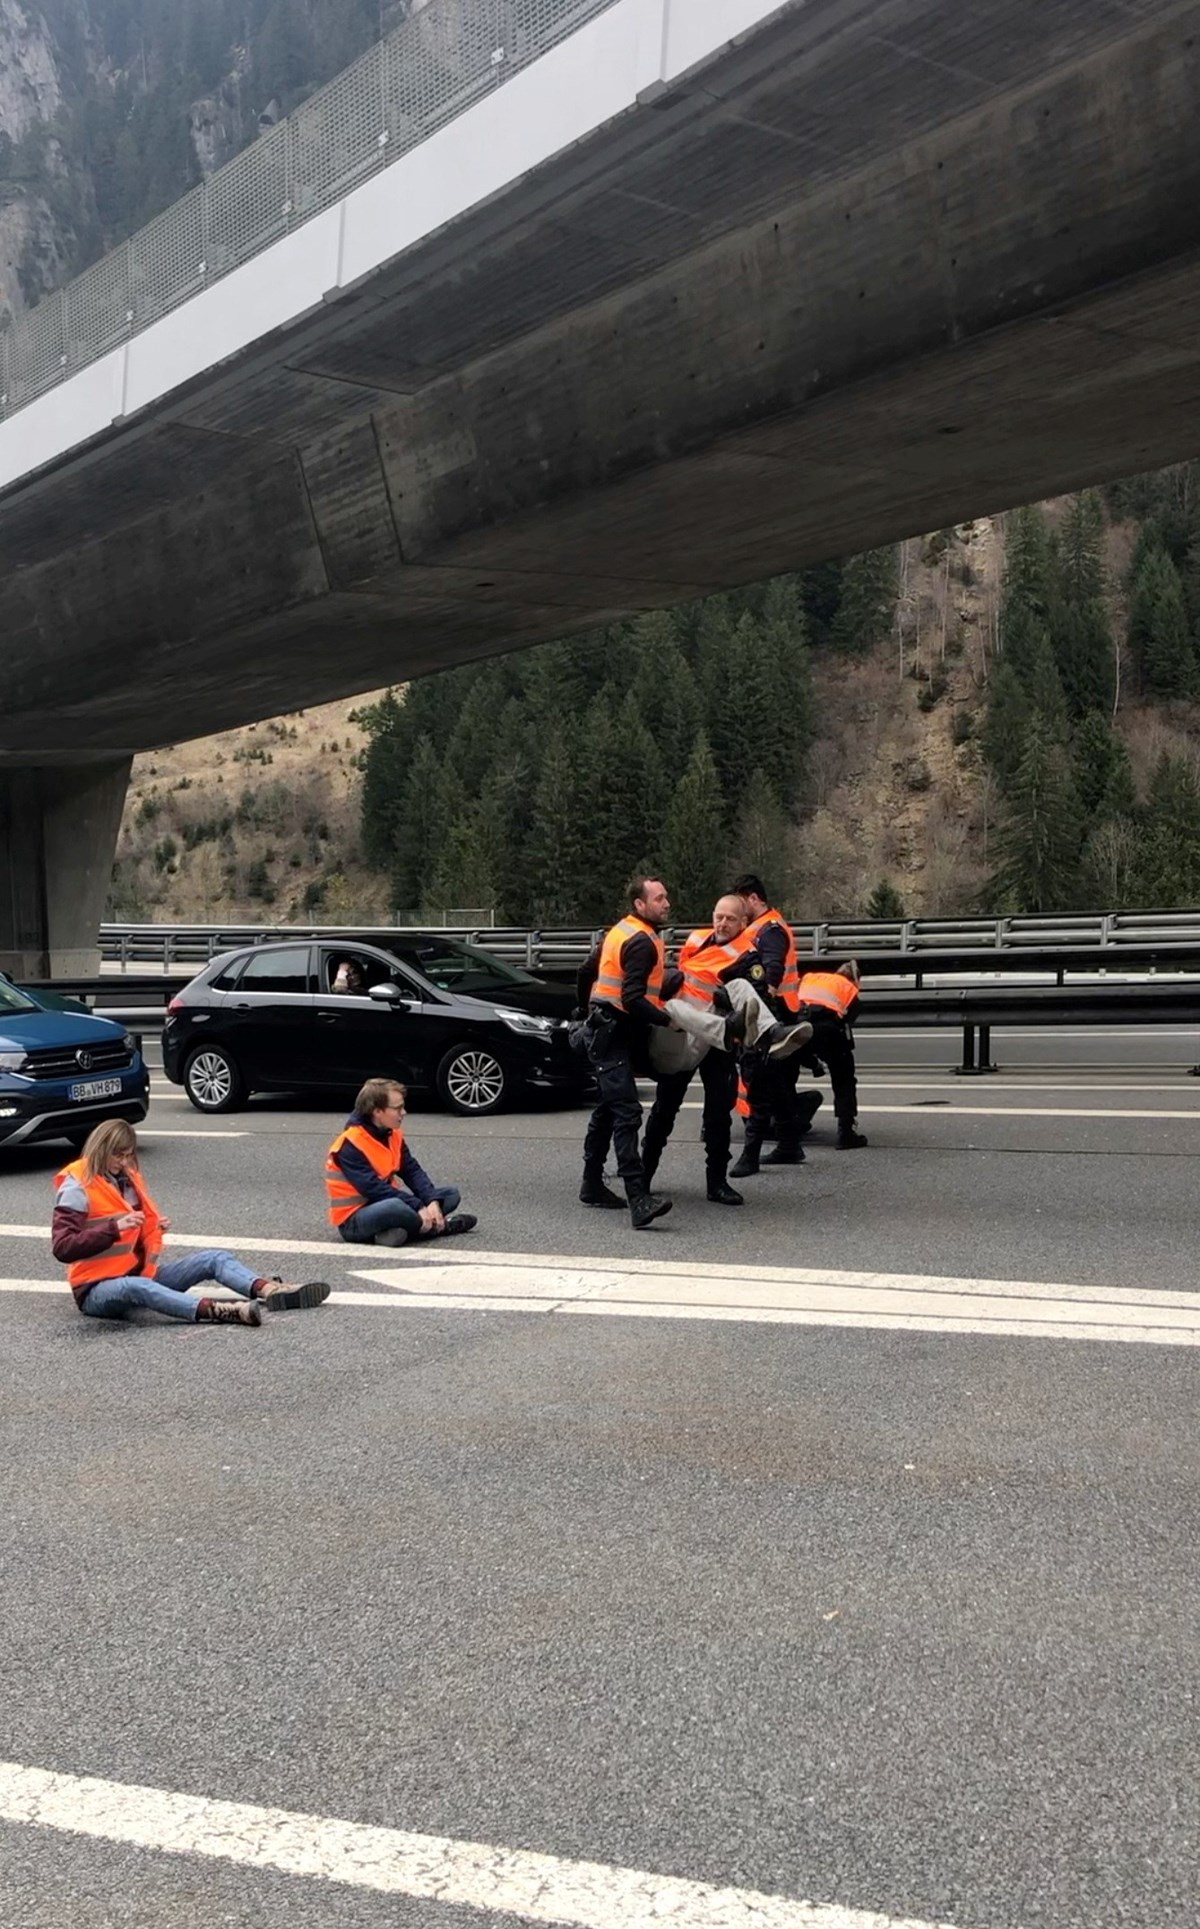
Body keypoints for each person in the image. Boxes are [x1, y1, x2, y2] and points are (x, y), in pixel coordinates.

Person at [52, 1119, 330, 1325]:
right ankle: (218, 1310)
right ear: (102, 1149)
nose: (124, 1162)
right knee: (136, 1288)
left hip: (139, 1274)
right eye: (118, 1155)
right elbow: (63, 1247)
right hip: (96, 1290)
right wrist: (115, 1228)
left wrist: (153, 1225)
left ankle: (269, 1291)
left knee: (214, 1258)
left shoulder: (128, 1178)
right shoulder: (77, 1185)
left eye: (128, 1155)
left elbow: (133, 1226)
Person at [642, 894, 811, 1205]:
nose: (722, 923)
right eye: (718, 916)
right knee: (664, 1110)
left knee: (719, 1114)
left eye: (730, 918)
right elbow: (679, 976)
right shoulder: (695, 940)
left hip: (720, 1039)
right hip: (686, 1030)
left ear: (743, 923)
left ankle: (716, 1183)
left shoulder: (749, 955)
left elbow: (754, 995)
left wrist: (722, 999)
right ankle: (643, 1178)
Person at [578, 875, 677, 1229]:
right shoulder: (641, 942)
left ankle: (591, 1186)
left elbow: (585, 970)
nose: (667, 904)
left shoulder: (619, 931)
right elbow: (633, 998)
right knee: (626, 1112)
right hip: (614, 1033)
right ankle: (638, 1199)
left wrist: (584, 1010)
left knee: (608, 1109)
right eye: (660, 898)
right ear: (640, 904)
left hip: (605, 1028)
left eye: (666, 897)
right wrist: (666, 1020)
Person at [729, 872, 823, 1176]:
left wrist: (763, 1001)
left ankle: (751, 1156)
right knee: (779, 1084)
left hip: (775, 1017)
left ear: (754, 899)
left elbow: (771, 968)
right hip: (783, 1016)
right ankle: (788, 1144)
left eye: (741, 902)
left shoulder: (768, 930)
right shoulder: (764, 926)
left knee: (761, 1082)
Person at [326, 1077, 478, 1246]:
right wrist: (419, 1207)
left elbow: (412, 1171)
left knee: (450, 1194)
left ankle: (402, 1231)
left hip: (387, 1204)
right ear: (377, 1111)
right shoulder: (350, 1144)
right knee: (396, 1207)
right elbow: (374, 1189)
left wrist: (431, 1201)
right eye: (398, 1108)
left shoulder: (392, 1133)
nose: (404, 1113)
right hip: (354, 1220)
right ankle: (441, 1227)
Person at [797, 960, 868, 1149]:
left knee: (786, 1071)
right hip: (827, 1029)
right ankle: (846, 1133)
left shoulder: (811, 977)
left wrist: (812, 1062)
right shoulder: (850, 989)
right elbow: (845, 1024)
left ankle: (785, 1127)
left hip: (797, 1027)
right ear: (855, 980)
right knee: (844, 1077)